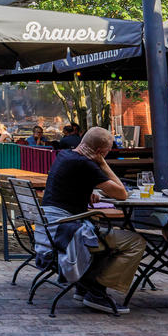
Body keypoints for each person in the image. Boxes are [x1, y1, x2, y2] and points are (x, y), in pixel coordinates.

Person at [38, 126, 146, 314]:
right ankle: (96, 291)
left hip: (52, 229)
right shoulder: (85, 164)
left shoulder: (65, 156)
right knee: (135, 241)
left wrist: (87, 191)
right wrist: (103, 164)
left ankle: (85, 285)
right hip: (68, 233)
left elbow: (70, 186)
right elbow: (122, 193)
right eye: (106, 152)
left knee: (104, 235)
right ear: (99, 152)